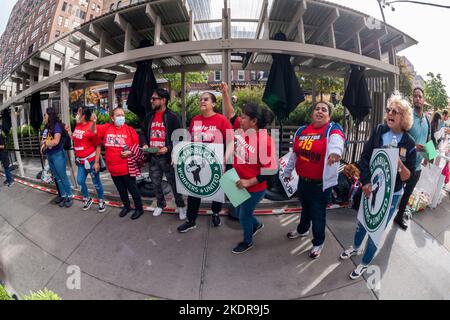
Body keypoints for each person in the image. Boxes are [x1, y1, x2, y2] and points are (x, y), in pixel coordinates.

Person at [340, 93, 416, 279]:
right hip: (371, 187)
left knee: (377, 227)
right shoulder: (379, 130)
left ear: (403, 118)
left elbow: (408, 177)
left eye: (395, 111)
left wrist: (398, 163)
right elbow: (365, 157)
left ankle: (365, 263)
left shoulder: (409, 143)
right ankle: (356, 247)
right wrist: (365, 181)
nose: (390, 113)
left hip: (392, 195)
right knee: (363, 221)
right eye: (389, 110)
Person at [283, 101, 345, 259]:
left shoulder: (332, 129)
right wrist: (288, 171)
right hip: (303, 182)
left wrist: (335, 152)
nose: (320, 111)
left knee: (318, 215)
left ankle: (318, 242)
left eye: (324, 110)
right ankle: (302, 230)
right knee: (305, 209)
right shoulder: (302, 131)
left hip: (320, 185)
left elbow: (337, 140)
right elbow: (295, 154)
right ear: (312, 113)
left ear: (328, 116)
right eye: (317, 109)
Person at [177, 92, 232, 233]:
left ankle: (215, 213)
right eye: (200, 99)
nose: (202, 101)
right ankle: (191, 220)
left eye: (205, 99)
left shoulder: (222, 120)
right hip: (197, 161)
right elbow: (190, 141)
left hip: (216, 163)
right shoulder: (195, 120)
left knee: (217, 190)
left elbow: (231, 141)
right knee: (194, 190)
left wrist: (225, 159)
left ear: (213, 104)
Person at [140, 88, 186, 219]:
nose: (151, 101)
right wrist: (144, 144)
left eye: (154, 99)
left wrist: (168, 148)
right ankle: (160, 204)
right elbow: (142, 132)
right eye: (151, 99)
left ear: (163, 100)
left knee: (174, 183)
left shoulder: (173, 117)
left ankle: (181, 206)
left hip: (168, 158)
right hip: (153, 157)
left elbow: (180, 137)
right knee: (155, 183)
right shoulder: (149, 116)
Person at [92, 107, 144, 220]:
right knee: (121, 190)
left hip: (127, 168)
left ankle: (139, 208)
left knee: (133, 189)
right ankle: (127, 206)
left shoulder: (130, 130)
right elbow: (94, 131)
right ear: (112, 118)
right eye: (118, 115)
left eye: (122, 115)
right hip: (113, 169)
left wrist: (129, 152)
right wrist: (93, 122)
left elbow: (137, 147)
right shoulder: (107, 128)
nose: (121, 117)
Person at [395, 87, 431, 230]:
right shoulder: (408, 117)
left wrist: (429, 156)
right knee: (396, 189)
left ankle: (399, 215)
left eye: (420, 96)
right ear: (412, 99)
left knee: (408, 193)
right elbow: (400, 137)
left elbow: (429, 138)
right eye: (415, 96)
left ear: (423, 100)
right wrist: (413, 146)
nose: (417, 98)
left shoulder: (426, 120)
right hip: (404, 163)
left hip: (417, 166)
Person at [67, 106, 106, 213]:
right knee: (80, 181)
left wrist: (97, 162)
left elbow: (98, 145)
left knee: (96, 182)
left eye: (79, 113)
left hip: (92, 161)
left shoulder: (91, 128)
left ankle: (102, 200)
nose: (76, 115)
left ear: (84, 116)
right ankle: (87, 198)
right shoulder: (78, 125)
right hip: (81, 162)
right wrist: (70, 132)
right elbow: (76, 139)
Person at [41, 107, 73, 208]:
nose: (44, 117)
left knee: (62, 176)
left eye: (45, 115)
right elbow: (43, 139)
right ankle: (63, 196)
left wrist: (45, 143)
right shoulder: (46, 127)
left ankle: (69, 196)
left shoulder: (57, 126)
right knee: (57, 177)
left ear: (49, 115)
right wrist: (44, 144)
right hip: (50, 155)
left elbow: (56, 141)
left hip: (58, 155)